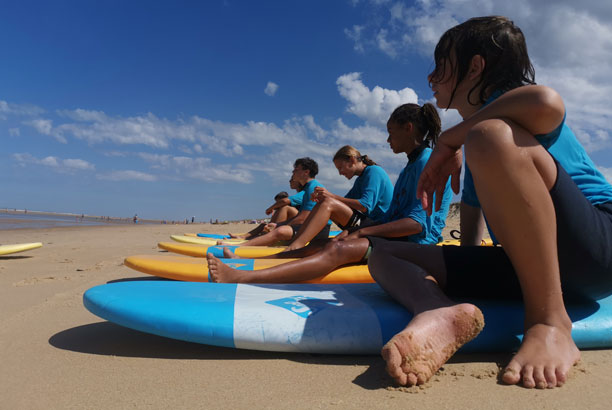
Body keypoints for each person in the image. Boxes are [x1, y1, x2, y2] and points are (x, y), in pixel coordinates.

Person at [368, 16, 612, 390]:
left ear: (476, 67)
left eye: (441, 67)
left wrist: (450, 140)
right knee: (383, 254)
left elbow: (546, 101)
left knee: (489, 135)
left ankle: (549, 322)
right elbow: (470, 241)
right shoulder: (479, 146)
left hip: (597, 249)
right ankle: (437, 311)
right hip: (528, 262)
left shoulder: (504, 116)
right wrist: (461, 274)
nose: (431, 78)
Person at [207, 102, 452, 284]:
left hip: (415, 246)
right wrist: (349, 231)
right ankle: (257, 264)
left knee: (336, 249)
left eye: (391, 132)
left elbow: (415, 225)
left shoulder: (425, 163)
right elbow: (390, 217)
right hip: (391, 236)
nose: (388, 139)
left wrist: (363, 231)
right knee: (325, 242)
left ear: (408, 129)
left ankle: (241, 277)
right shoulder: (412, 164)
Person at [284, 145, 394, 251]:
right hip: (370, 224)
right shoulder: (360, 179)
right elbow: (341, 204)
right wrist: (322, 198)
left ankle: (296, 245)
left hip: (380, 228)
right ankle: (297, 241)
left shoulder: (374, 171)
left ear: (352, 160)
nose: (340, 173)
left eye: (340, 168)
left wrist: (330, 196)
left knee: (329, 203)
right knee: (316, 243)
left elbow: (365, 206)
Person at [221, 158, 331, 247]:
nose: (293, 172)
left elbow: (304, 217)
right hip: (310, 227)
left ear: (306, 172)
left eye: (296, 170)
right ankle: (251, 242)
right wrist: (278, 225)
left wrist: (278, 226)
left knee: (280, 231)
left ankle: (240, 247)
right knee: (279, 229)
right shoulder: (308, 188)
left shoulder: (312, 187)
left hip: (317, 230)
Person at [228, 178, 304, 240]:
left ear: (298, 182)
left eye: (292, 179)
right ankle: (244, 236)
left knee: (285, 208)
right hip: (296, 220)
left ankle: (267, 235)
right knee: (263, 225)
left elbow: (284, 201)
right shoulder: (299, 194)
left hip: (300, 223)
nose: (289, 181)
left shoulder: (303, 193)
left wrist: (270, 208)